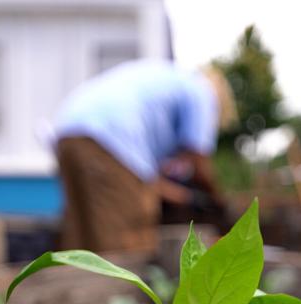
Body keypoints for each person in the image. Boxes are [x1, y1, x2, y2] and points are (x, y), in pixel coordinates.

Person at [53, 59, 236, 253]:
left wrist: (184, 197)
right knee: (128, 233)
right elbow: (200, 165)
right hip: (112, 134)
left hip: (68, 130)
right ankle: (118, 285)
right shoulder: (202, 92)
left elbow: (148, 182)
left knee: (82, 235)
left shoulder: (167, 86)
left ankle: (77, 283)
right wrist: (217, 199)